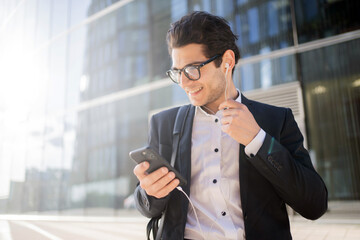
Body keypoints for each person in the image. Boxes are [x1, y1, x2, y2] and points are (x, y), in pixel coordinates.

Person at [133, 11, 328, 240]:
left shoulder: (276, 121)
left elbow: (314, 205)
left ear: (226, 62)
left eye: (192, 69)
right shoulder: (163, 124)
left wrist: (258, 140)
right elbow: (147, 207)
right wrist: (149, 192)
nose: (184, 82)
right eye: (177, 72)